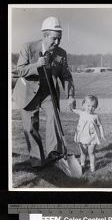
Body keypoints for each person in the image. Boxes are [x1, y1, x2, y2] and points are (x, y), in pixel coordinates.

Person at [13, 16, 75, 169]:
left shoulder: (61, 53)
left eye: (59, 39)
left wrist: (71, 96)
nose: (57, 42)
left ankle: (54, 155)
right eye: (54, 39)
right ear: (44, 36)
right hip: (28, 92)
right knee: (30, 127)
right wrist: (36, 65)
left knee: (54, 118)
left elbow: (66, 75)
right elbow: (19, 70)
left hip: (48, 93)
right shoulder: (28, 47)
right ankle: (37, 160)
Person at [70, 95, 105, 173]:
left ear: (95, 107)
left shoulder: (95, 116)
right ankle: (82, 165)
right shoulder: (81, 113)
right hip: (82, 137)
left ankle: (92, 167)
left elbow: (100, 125)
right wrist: (71, 102)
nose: (90, 108)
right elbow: (72, 109)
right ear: (83, 105)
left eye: (93, 106)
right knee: (83, 152)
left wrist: (102, 134)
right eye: (88, 106)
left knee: (91, 152)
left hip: (92, 137)